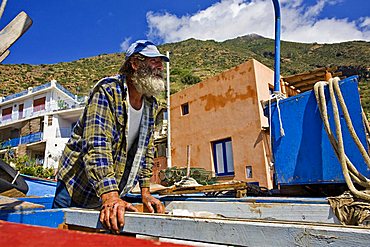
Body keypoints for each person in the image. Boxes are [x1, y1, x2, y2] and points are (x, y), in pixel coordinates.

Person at [52, 40, 168, 234]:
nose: (160, 66)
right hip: (77, 186)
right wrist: (109, 196)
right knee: (59, 239)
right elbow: (97, 144)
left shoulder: (151, 104)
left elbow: (147, 150)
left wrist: (145, 193)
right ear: (135, 64)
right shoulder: (107, 91)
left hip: (112, 190)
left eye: (160, 62)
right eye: (154, 61)